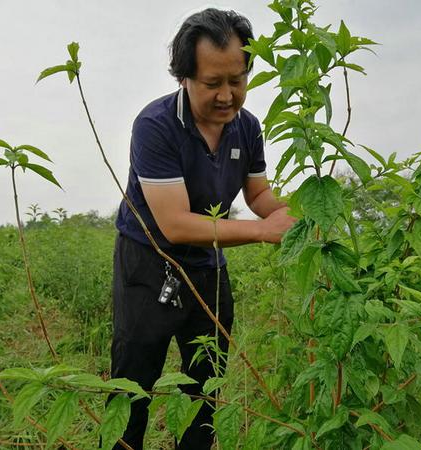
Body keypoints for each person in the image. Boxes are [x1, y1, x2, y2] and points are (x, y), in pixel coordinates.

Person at [111, 8, 295, 449]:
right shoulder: (155, 126)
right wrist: (262, 231)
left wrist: (299, 214)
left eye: (237, 80)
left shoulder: (247, 128)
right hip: (149, 265)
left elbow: (258, 195)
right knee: (133, 384)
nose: (227, 96)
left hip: (208, 265)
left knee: (205, 385)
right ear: (184, 78)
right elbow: (174, 224)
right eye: (213, 84)